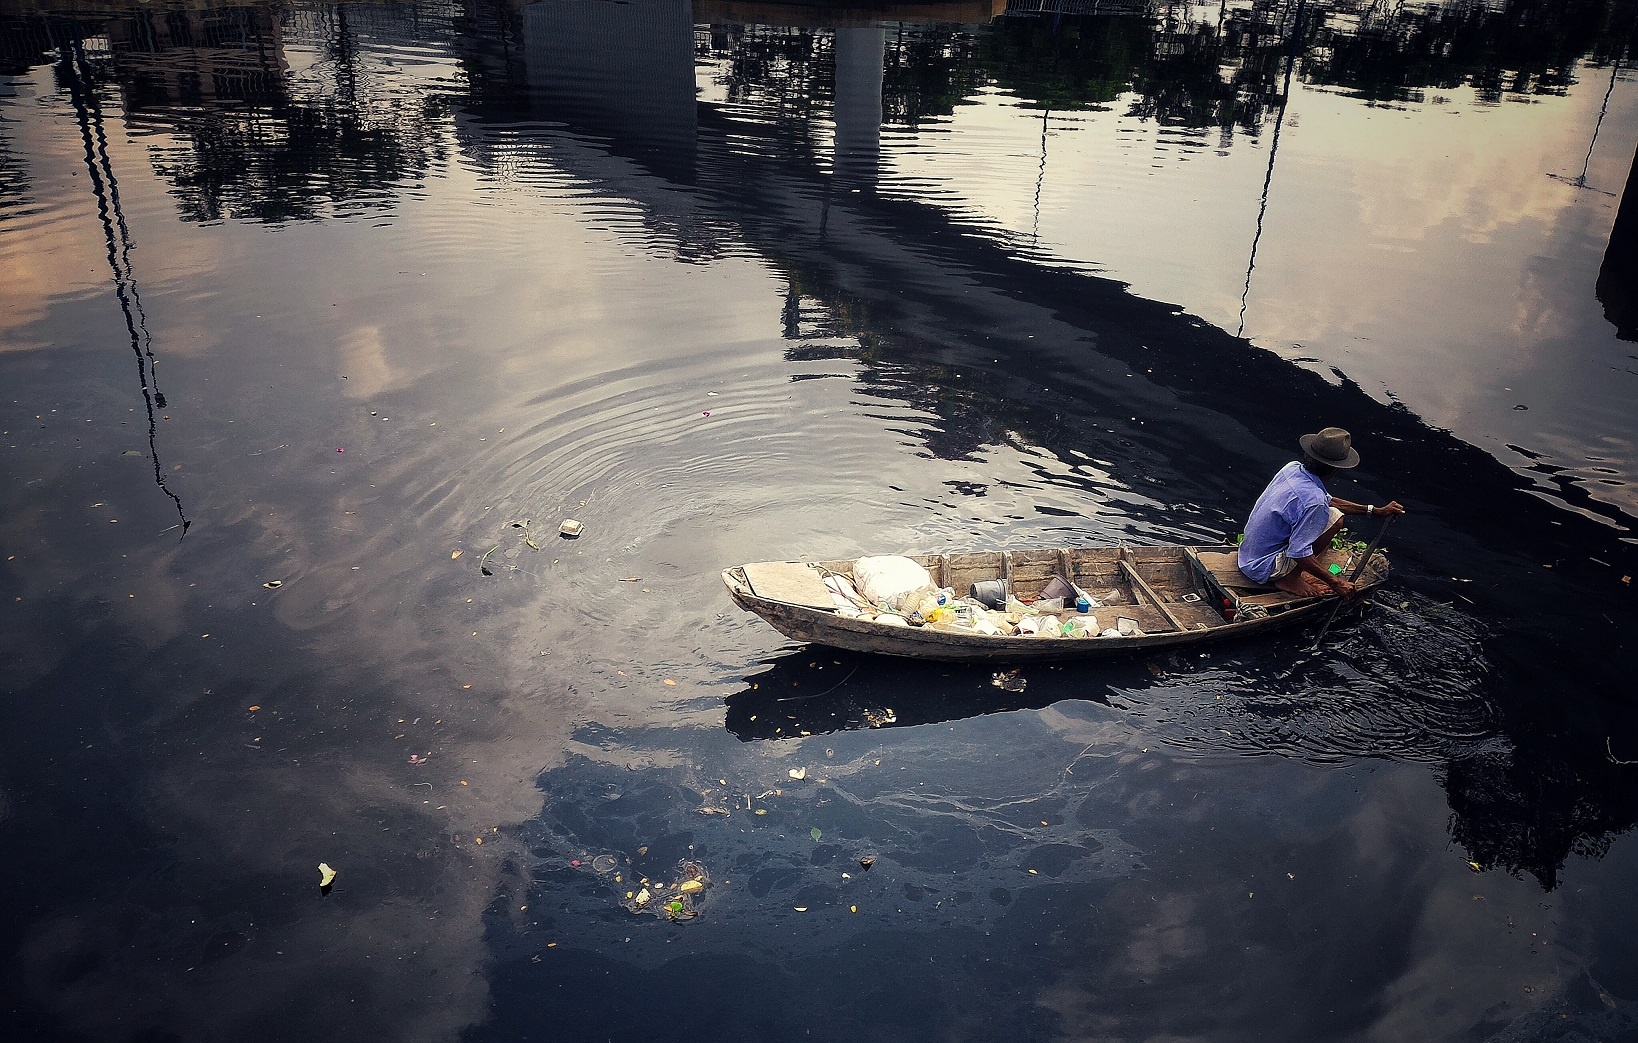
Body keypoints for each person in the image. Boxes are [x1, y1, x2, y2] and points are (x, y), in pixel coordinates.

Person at [1238, 427, 1405, 598]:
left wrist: (1375, 511)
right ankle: (1290, 579)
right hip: (1263, 567)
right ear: (1334, 469)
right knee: (1336, 519)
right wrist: (1337, 583)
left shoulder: (1292, 468)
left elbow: (1329, 501)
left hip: (1248, 555)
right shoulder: (1314, 501)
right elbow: (1298, 552)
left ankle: (1297, 571)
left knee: (1333, 514)